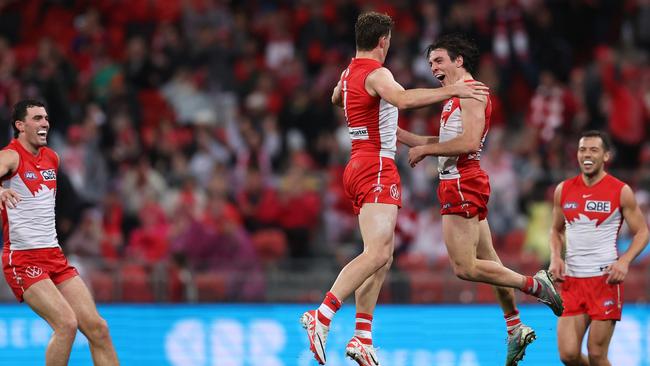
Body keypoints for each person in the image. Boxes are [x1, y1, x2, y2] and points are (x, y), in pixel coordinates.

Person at [299, 13, 490, 366]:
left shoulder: (348, 72)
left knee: (382, 255)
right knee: (376, 253)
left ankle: (362, 336)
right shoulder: (378, 73)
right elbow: (402, 100)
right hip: (376, 165)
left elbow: (336, 98)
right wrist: (452, 89)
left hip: (357, 164)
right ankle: (322, 315)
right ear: (383, 41)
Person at [405, 34, 564, 366]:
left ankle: (536, 285)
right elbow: (442, 139)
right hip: (463, 181)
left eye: (439, 60)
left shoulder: (473, 92)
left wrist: (427, 150)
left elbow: (470, 141)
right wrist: (398, 136)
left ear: (458, 60)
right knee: (490, 261)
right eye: (430, 62)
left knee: (464, 268)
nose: (433, 67)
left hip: (461, 181)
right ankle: (515, 326)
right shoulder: (456, 96)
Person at [0, 100, 120, 366]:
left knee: (98, 329)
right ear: (20, 126)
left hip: (54, 256)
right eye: (37, 118)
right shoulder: (10, 156)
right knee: (66, 324)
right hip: (23, 259)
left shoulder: (52, 158)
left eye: (46, 118)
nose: (45, 123)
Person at [548, 130, 649, 366]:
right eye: (583, 149)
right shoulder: (563, 190)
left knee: (596, 355)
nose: (587, 155)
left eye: (594, 150)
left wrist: (624, 261)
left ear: (606, 156)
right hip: (572, 281)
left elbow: (643, 232)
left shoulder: (620, 191)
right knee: (568, 355)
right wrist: (555, 257)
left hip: (604, 281)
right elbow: (555, 229)